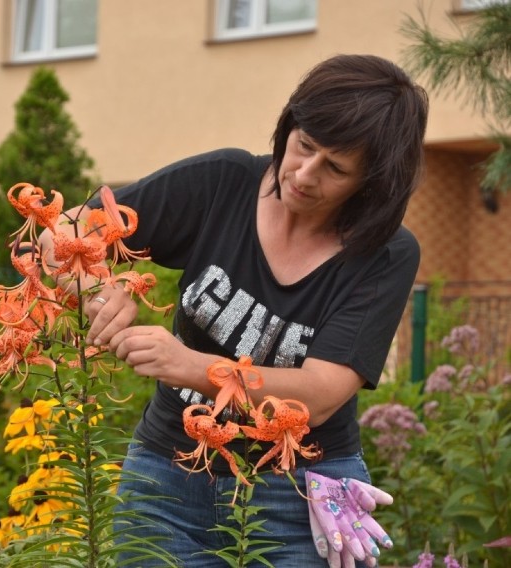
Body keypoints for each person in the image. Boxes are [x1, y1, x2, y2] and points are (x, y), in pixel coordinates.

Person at [39, 54, 428, 567]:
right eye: (304, 145)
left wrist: (190, 366)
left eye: (335, 167)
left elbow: (320, 396)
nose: (304, 174)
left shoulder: (385, 254)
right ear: (289, 126)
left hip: (301, 497)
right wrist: (96, 290)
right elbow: (64, 231)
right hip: (166, 482)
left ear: (372, 182)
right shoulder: (221, 183)